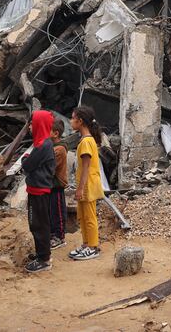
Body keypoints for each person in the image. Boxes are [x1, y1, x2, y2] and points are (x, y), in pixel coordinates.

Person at [68, 106, 104, 261]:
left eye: (72, 118)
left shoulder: (86, 142)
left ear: (80, 121)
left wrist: (80, 189)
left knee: (89, 217)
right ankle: (86, 243)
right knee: (82, 216)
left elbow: (86, 167)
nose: (70, 121)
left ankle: (93, 246)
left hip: (88, 185)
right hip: (85, 185)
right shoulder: (85, 140)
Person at [22, 110, 56, 273]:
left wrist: (25, 158)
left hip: (39, 190)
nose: (30, 127)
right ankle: (42, 253)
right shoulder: (43, 144)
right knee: (37, 223)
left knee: (38, 224)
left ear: (39, 125)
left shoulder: (43, 145)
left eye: (32, 123)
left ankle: (44, 259)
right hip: (38, 189)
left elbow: (27, 165)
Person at [49, 119, 68, 250]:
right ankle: (53, 235)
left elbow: (50, 166)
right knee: (51, 212)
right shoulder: (52, 147)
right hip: (50, 185)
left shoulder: (59, 149)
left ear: (55, 133)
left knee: (58, 212)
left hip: (57, 185)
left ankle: (60, 237)